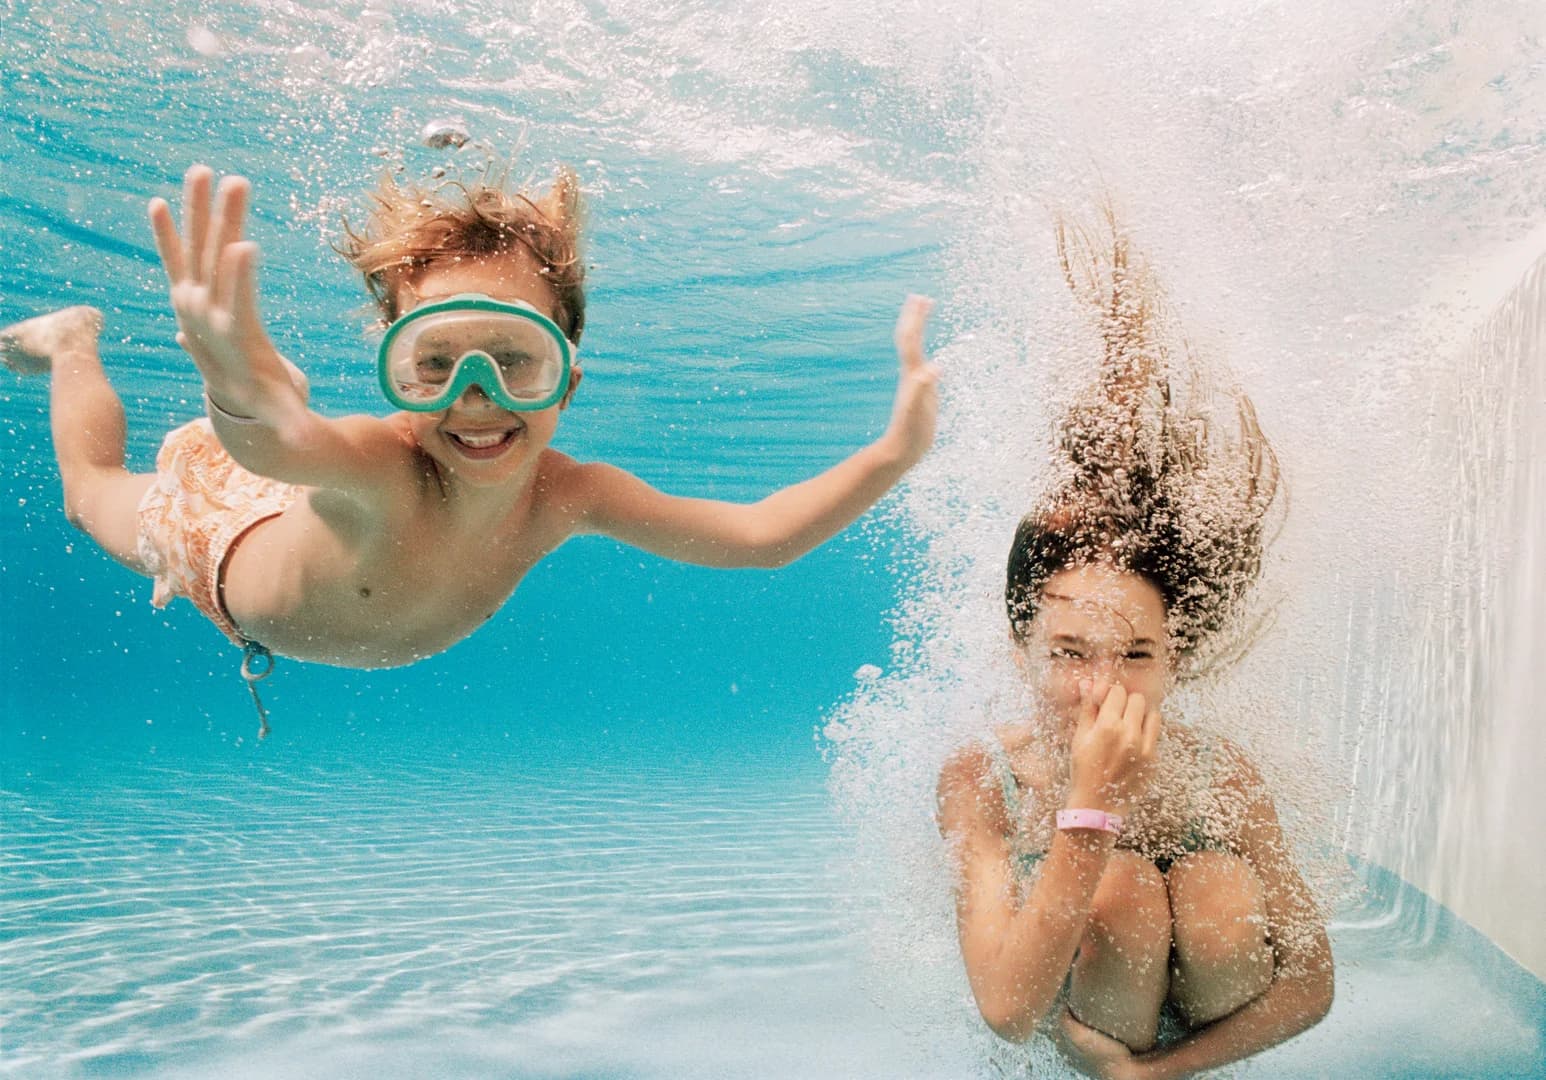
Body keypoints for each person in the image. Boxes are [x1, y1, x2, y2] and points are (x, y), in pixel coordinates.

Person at [1, 164, 937, 681]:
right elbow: (278, 445)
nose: (475, 398)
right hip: (222, 540)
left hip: (294, 494)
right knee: (89, 496)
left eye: (513, 362)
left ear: (568, 378)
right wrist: (237, 391)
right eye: (436, 366)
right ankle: (72, 344)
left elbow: (761, 537)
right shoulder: (381, 460)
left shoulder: (571, 496)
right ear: (397, 373)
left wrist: (894, 452)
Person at [935, 208, 1332, 1079]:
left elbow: (1312, 983)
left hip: (1170, 1055)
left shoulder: (1221, 777)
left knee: (1217, 889)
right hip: (1068, 1038)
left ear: (1176, 653)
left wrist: (1157, 1075)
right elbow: (1005, 1011)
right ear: (1021, 650)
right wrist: (1088, 809)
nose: (1103, 690)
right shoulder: (982, 780)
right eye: (1071, 652)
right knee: (1120, 887)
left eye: (1137, 655)